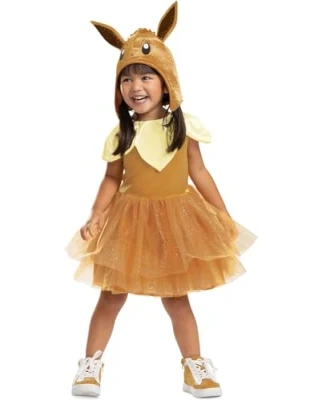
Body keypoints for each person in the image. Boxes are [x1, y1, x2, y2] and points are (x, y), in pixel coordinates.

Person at [66, 2, 256, 398]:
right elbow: (111, 179)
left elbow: (199, 173)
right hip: (128, 224)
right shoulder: (121, 135)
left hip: (176, 222)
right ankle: (91, 365)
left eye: (146, 76)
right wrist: (97, 215)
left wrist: (221, 213)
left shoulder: (183, 129)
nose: (135, 86)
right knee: (111, 295)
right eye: (126, 79)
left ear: (166, 82)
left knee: (176, 298)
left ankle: (194, 366)